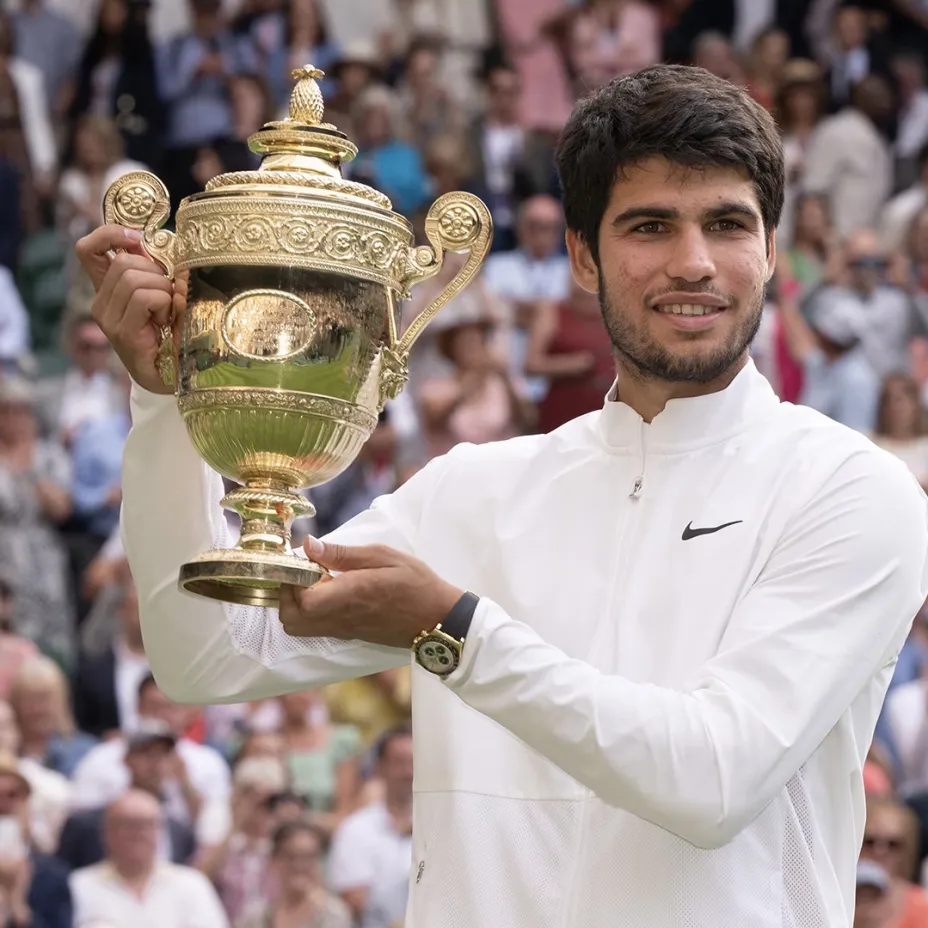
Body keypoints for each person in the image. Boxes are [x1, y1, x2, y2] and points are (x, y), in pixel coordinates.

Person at [78, 64, 928, 927]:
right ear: (583, 258)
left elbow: (712, 780)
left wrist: (453, 633)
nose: (695, 262)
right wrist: (162, 403)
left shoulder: (853, 491)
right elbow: (208, 656)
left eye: (727, 224)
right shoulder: (476, 489)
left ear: (771, 249)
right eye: (650, 226)